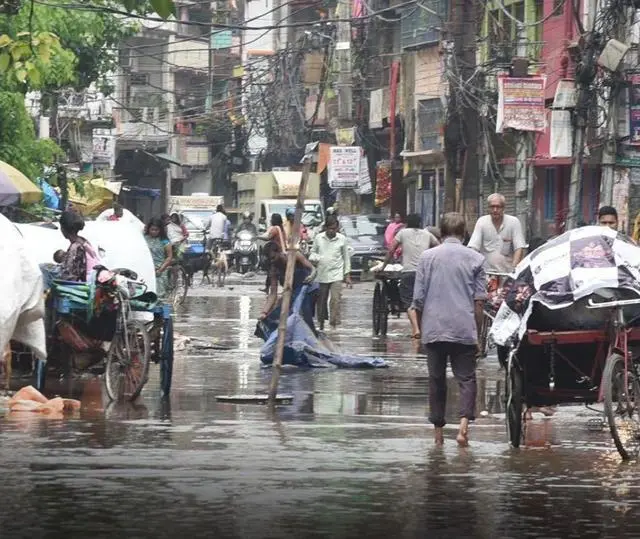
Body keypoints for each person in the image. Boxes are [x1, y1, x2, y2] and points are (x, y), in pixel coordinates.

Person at [412, 212, 487, 447]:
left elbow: (418, 300)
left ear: (442, 234)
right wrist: (476, 335)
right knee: (466, 379)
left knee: (436, 380)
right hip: (463, 328)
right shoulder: (476, 259)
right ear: (464, 234)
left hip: (433, 328)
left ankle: (437, 434)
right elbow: (479, 303)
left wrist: (419, 333)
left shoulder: (426, 257)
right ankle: (463, 427)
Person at [381, 213, 439, 338]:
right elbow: (439, 247)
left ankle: (416, 329)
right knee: (423, 301)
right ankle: (423, 329)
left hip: (408, 273)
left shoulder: (402, 233)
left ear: (407, 222)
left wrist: (383, 266)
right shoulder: (427, 234)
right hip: (425, 274)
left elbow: (391, 249)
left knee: (409, 302)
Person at [259, 241, 317, 332]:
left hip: (307, 289)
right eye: (270, 259)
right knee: (274, 315)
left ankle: (312, 335)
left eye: (273, 257)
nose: (272, 261)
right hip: (291, 292)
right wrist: (264, 312)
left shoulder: (294, 255)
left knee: (305, 315)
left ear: (279, 252)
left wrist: (312, 275)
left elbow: (312, 268)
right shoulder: (273, 268)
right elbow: (273, 294)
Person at [309, 215, 352, 331]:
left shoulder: (342, 239)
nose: (332, 231)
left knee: (335, 299)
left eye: (334, 229)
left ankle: (333, 324)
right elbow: (312, 252)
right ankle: (321, 323)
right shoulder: (319, 238)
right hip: (322, 274)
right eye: (330, 228)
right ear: (326, 228)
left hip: (336, 274)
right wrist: (315, 258)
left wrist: (347, 275)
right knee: (321, 300)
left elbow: (346, 258)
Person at [468, 193, 526, 272]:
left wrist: (514, 269)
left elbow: (519, 248)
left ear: (503, 208)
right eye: (492, 207)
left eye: (498, 207)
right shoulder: (482, 222)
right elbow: (473, 247)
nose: (495, 210)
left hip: (507, 272)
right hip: (487, 272)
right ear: (488, 208)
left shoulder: (514, 222)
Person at [58, 211, 102, 282]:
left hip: (87, 285)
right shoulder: (83, 241)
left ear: (63, 229)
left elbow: (70, 275)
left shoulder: (75, 247)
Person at [144, 217, 173, 298]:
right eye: (152, 229)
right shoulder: (144, 239)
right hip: (146, 269)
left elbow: (169, 257)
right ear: (148, 229)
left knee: (159, 294)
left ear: (160, 230)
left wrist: (160, 270)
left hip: (160, 269)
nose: (154, 232)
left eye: (156, 230)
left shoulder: (164, 241)